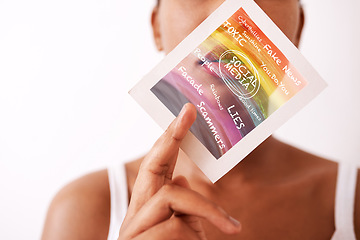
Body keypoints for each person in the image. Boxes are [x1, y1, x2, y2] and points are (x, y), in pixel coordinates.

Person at [41, 0, 360, 239]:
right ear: (156, 27)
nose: (227, 14)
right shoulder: (84, 212)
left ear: (298, 29)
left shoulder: (352, 202)